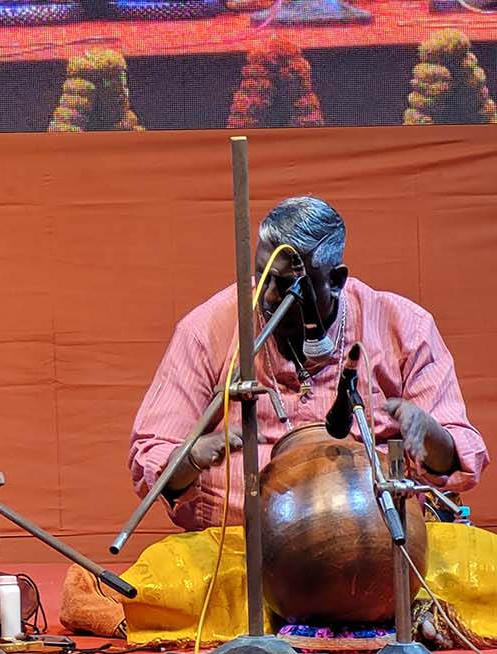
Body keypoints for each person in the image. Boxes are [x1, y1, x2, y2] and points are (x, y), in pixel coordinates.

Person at [130, 195, 488, 533]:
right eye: (262, 277)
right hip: (242, 548)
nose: (269, 297)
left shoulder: (406, 328)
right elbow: (150, 460)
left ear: (335, 280)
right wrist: (192, 458)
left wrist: (431, 435)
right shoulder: (207, 331)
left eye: (289, 286)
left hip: (378, 547)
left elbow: (461, 460)